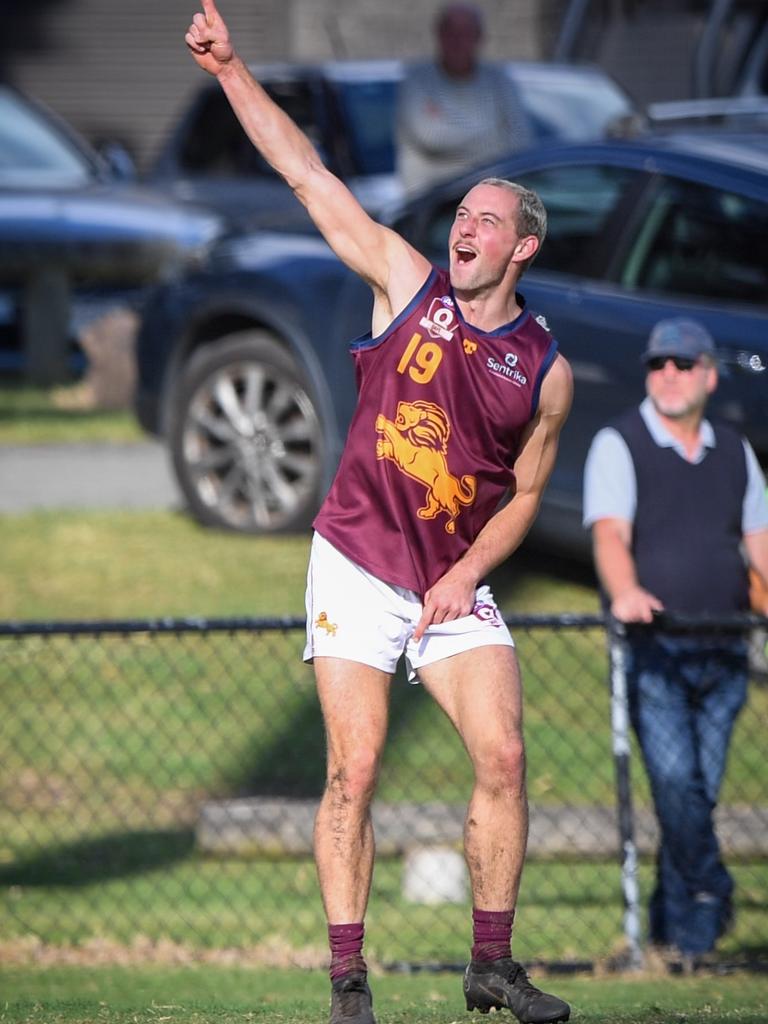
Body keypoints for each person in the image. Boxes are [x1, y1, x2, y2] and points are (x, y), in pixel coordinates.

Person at [186, 4, 573, 1022]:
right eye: (462, 216)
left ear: (523, 245)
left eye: (488, 220)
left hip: (449, 576)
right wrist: (232, 72)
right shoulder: (405, 284)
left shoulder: (545, 369)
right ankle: (349, 980)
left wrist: (460, 575)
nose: (464, 229)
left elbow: (526, 495)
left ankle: (490, 963)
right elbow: (309, 175)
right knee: (354, 766)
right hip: (357, 562)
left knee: (505, 754)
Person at [583, 317, 768, 965]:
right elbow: (609, 535)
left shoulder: (735, 451)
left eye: (682, 364)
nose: (667, 374)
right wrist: (627, 590)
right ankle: (713, 890)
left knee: (696, 793)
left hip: (725, 650)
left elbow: (761, 546)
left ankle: (674, 934)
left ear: (710, 376)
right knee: (675, 781)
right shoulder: (620, 443)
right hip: (655, 649)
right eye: (658, 363)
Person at [396, 3, 532, 194]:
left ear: (479, 38)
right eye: (451, 33)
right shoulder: (417, 80)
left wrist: (452, 127)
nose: (458, 42)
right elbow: (430, 136)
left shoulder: (499, 80)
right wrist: (493, 136)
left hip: (490, 198)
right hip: (430, 203)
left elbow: (520, 141)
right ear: (439, 36)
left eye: (466, 34)